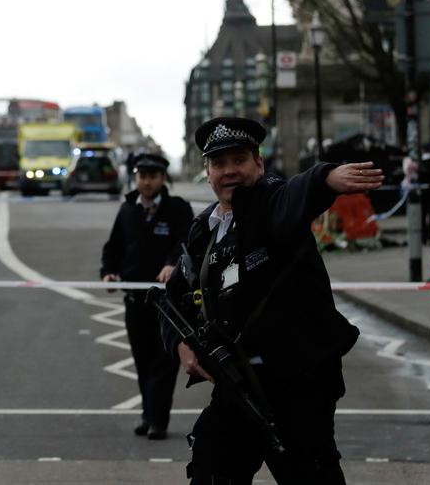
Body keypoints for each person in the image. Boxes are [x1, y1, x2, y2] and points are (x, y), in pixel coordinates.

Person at [163, 116, 382, 484]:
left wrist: (326, 177)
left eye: (239, 160)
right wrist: (181, 346)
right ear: (207, 171)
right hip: (237, 383)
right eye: (219, 163)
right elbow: (172, 301)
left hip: (298, 383)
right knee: (211, 464)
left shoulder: (270, 203)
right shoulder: (205, 230)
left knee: (310, 474)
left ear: (259, 164)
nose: (229, 171)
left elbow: (295, 193)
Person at [100, 152, 194, 441]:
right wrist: (109, 272)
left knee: (164, 362)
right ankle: (148, 413)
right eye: (142, 176)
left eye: (153, 176)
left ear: (163, 178)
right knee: (142, 361)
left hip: (168, 303)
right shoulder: (128, 209)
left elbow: (187, 241)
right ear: (136, 177)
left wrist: (171, 263)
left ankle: (159, 420)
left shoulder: (178, 208)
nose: (147, 182)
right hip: (135, 299)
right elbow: (113, 246)